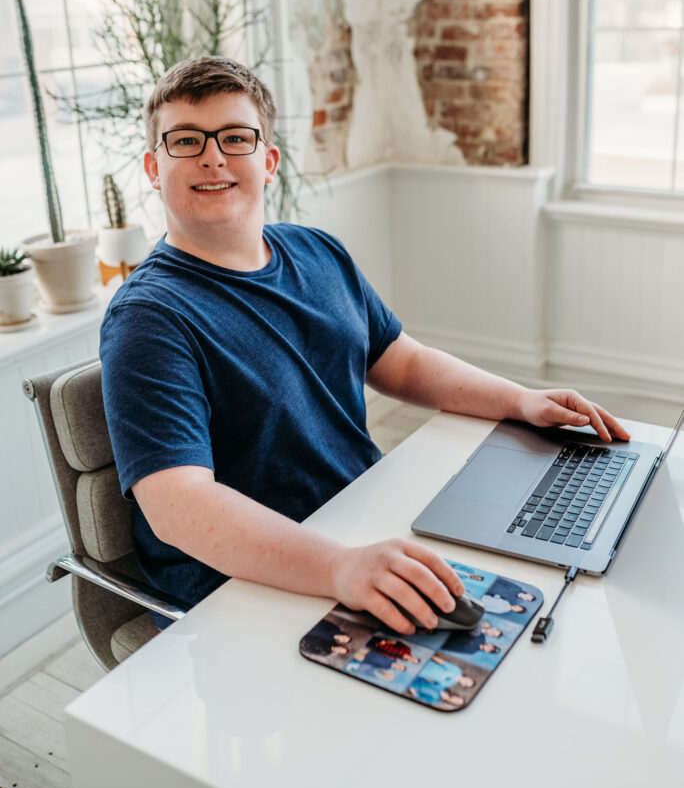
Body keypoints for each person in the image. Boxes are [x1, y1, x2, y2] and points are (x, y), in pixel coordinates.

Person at [101, 56, 631, 635]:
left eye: (235, 137)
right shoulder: (149, 318)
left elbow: (401, 361)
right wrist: (342, 568)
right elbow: (179, 508)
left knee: (549, 595)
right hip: (244, 587)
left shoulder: (315, 251)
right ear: (154, 167)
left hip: (360, 526)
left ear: (269, 161)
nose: (212, 156)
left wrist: (522, 401)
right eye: (185, 141)